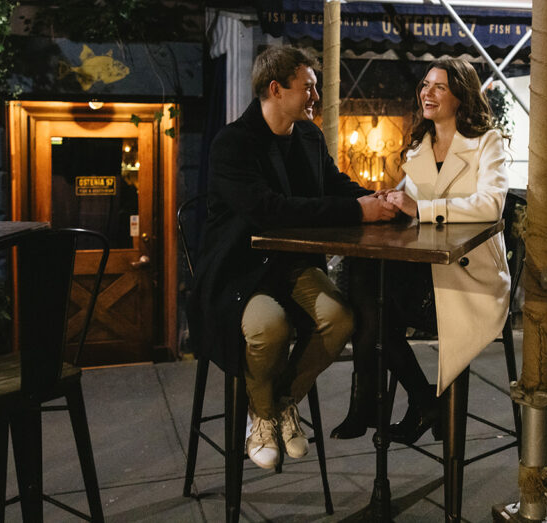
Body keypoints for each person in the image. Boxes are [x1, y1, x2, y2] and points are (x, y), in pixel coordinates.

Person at [188, 45, 397, 470]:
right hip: (240, 271)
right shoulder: (233, 143)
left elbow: (334, 186)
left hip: (293, 266)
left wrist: (377, 198)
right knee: (270, 327)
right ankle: (263, 416)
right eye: (309, 87)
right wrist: (359, 211)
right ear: (276, 88)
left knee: (340, 318)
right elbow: (271, 210)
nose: (315, 97)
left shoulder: (307, 136)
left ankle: (277, 404)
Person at [331, 57, 511, 444]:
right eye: (425, 85)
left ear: (460, 96)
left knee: (372, 307)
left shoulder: (486, 142)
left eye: (439, 87)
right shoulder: (419, 147)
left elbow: (491, 205)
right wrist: (392, 200)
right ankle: (420, 398)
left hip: (469, 278)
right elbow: (410, 209)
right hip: (426, 272)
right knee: (367, 287)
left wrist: (423, 209)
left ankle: (378, 400)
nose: (427, 93)